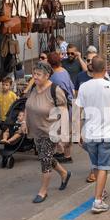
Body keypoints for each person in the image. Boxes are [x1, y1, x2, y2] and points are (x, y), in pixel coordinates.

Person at [76, 56, 110, 214]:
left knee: (96, 165)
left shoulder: (84, 87)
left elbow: (77, 111)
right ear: (105, 70)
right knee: (103, 167)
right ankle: (97, 201)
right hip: (106, 133)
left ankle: (101, 191)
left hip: (89, 133)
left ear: (91, 69)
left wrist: (77, 132)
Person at [23, 63, 72, 203]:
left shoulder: (55, 90)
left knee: (45, 161)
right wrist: (24, 122)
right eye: (34, 74)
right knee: (46, 156)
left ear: (47, 76)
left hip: (50, 131)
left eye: (38, 74)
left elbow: (63, 112)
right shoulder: (34, 87)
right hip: (36, 130)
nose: (35, 77)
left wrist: (63, 136)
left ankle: (43, 191)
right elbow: (28, 105)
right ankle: (64, 173)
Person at [48, 52, 74, 163]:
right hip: (69, 104)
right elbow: (71, 88)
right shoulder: (64, 71)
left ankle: (66, 155)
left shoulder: (54, 77)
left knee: (59, 131)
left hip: (61, 106)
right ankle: (62, 152)